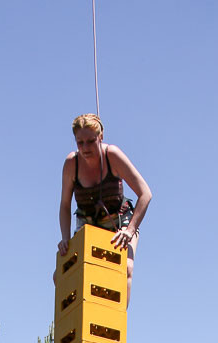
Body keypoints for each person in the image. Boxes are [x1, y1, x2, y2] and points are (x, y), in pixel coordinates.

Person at [58, 113, 152, 304]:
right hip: (87, 224)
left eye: (91, 141)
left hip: (119, 223)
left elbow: (145, 193)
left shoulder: (112, 156)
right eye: (80, 142)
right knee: (63, 275)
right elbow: (65, 204)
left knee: (125, 267)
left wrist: (130, 230)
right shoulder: (71, 164)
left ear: (101, 137)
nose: (85, 148)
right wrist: (65, 238)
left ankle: (117, 321)